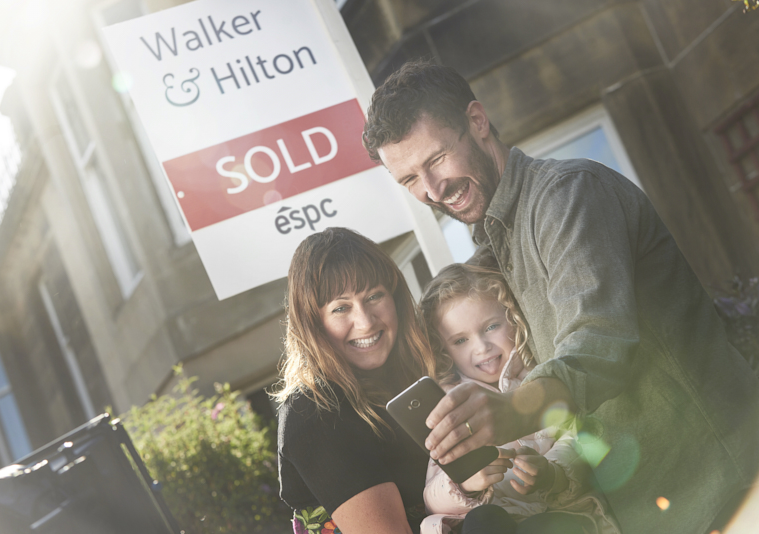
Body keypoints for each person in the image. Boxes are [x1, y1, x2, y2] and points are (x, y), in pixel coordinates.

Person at [362, 60, 759, 533]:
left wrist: (511, 411)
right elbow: (591, 417)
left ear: (477, 121)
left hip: (725, 482)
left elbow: (599, 345)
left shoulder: (567, 195)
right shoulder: (496, 247)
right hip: (656, 509)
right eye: (409, 180)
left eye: (436, 159)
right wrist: (551, 477)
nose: (431, 190)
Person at [274, 227, 515, 534]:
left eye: (374, 296)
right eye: (341, 308)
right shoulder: (313, 410)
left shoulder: (427, 373)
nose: (365, 322)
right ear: (313, 323)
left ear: (395, 298)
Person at [418, 262, 619, 534]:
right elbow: (432, 495)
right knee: (482, 522)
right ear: (445, 351)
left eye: (491, 327)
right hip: (491, 522)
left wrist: (552, 475)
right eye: (460, 341)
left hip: (558, 514)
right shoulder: (450, 404)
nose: (481, 347)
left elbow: (577, 435)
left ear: (512, 318)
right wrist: (463, 484)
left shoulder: (543, 377)